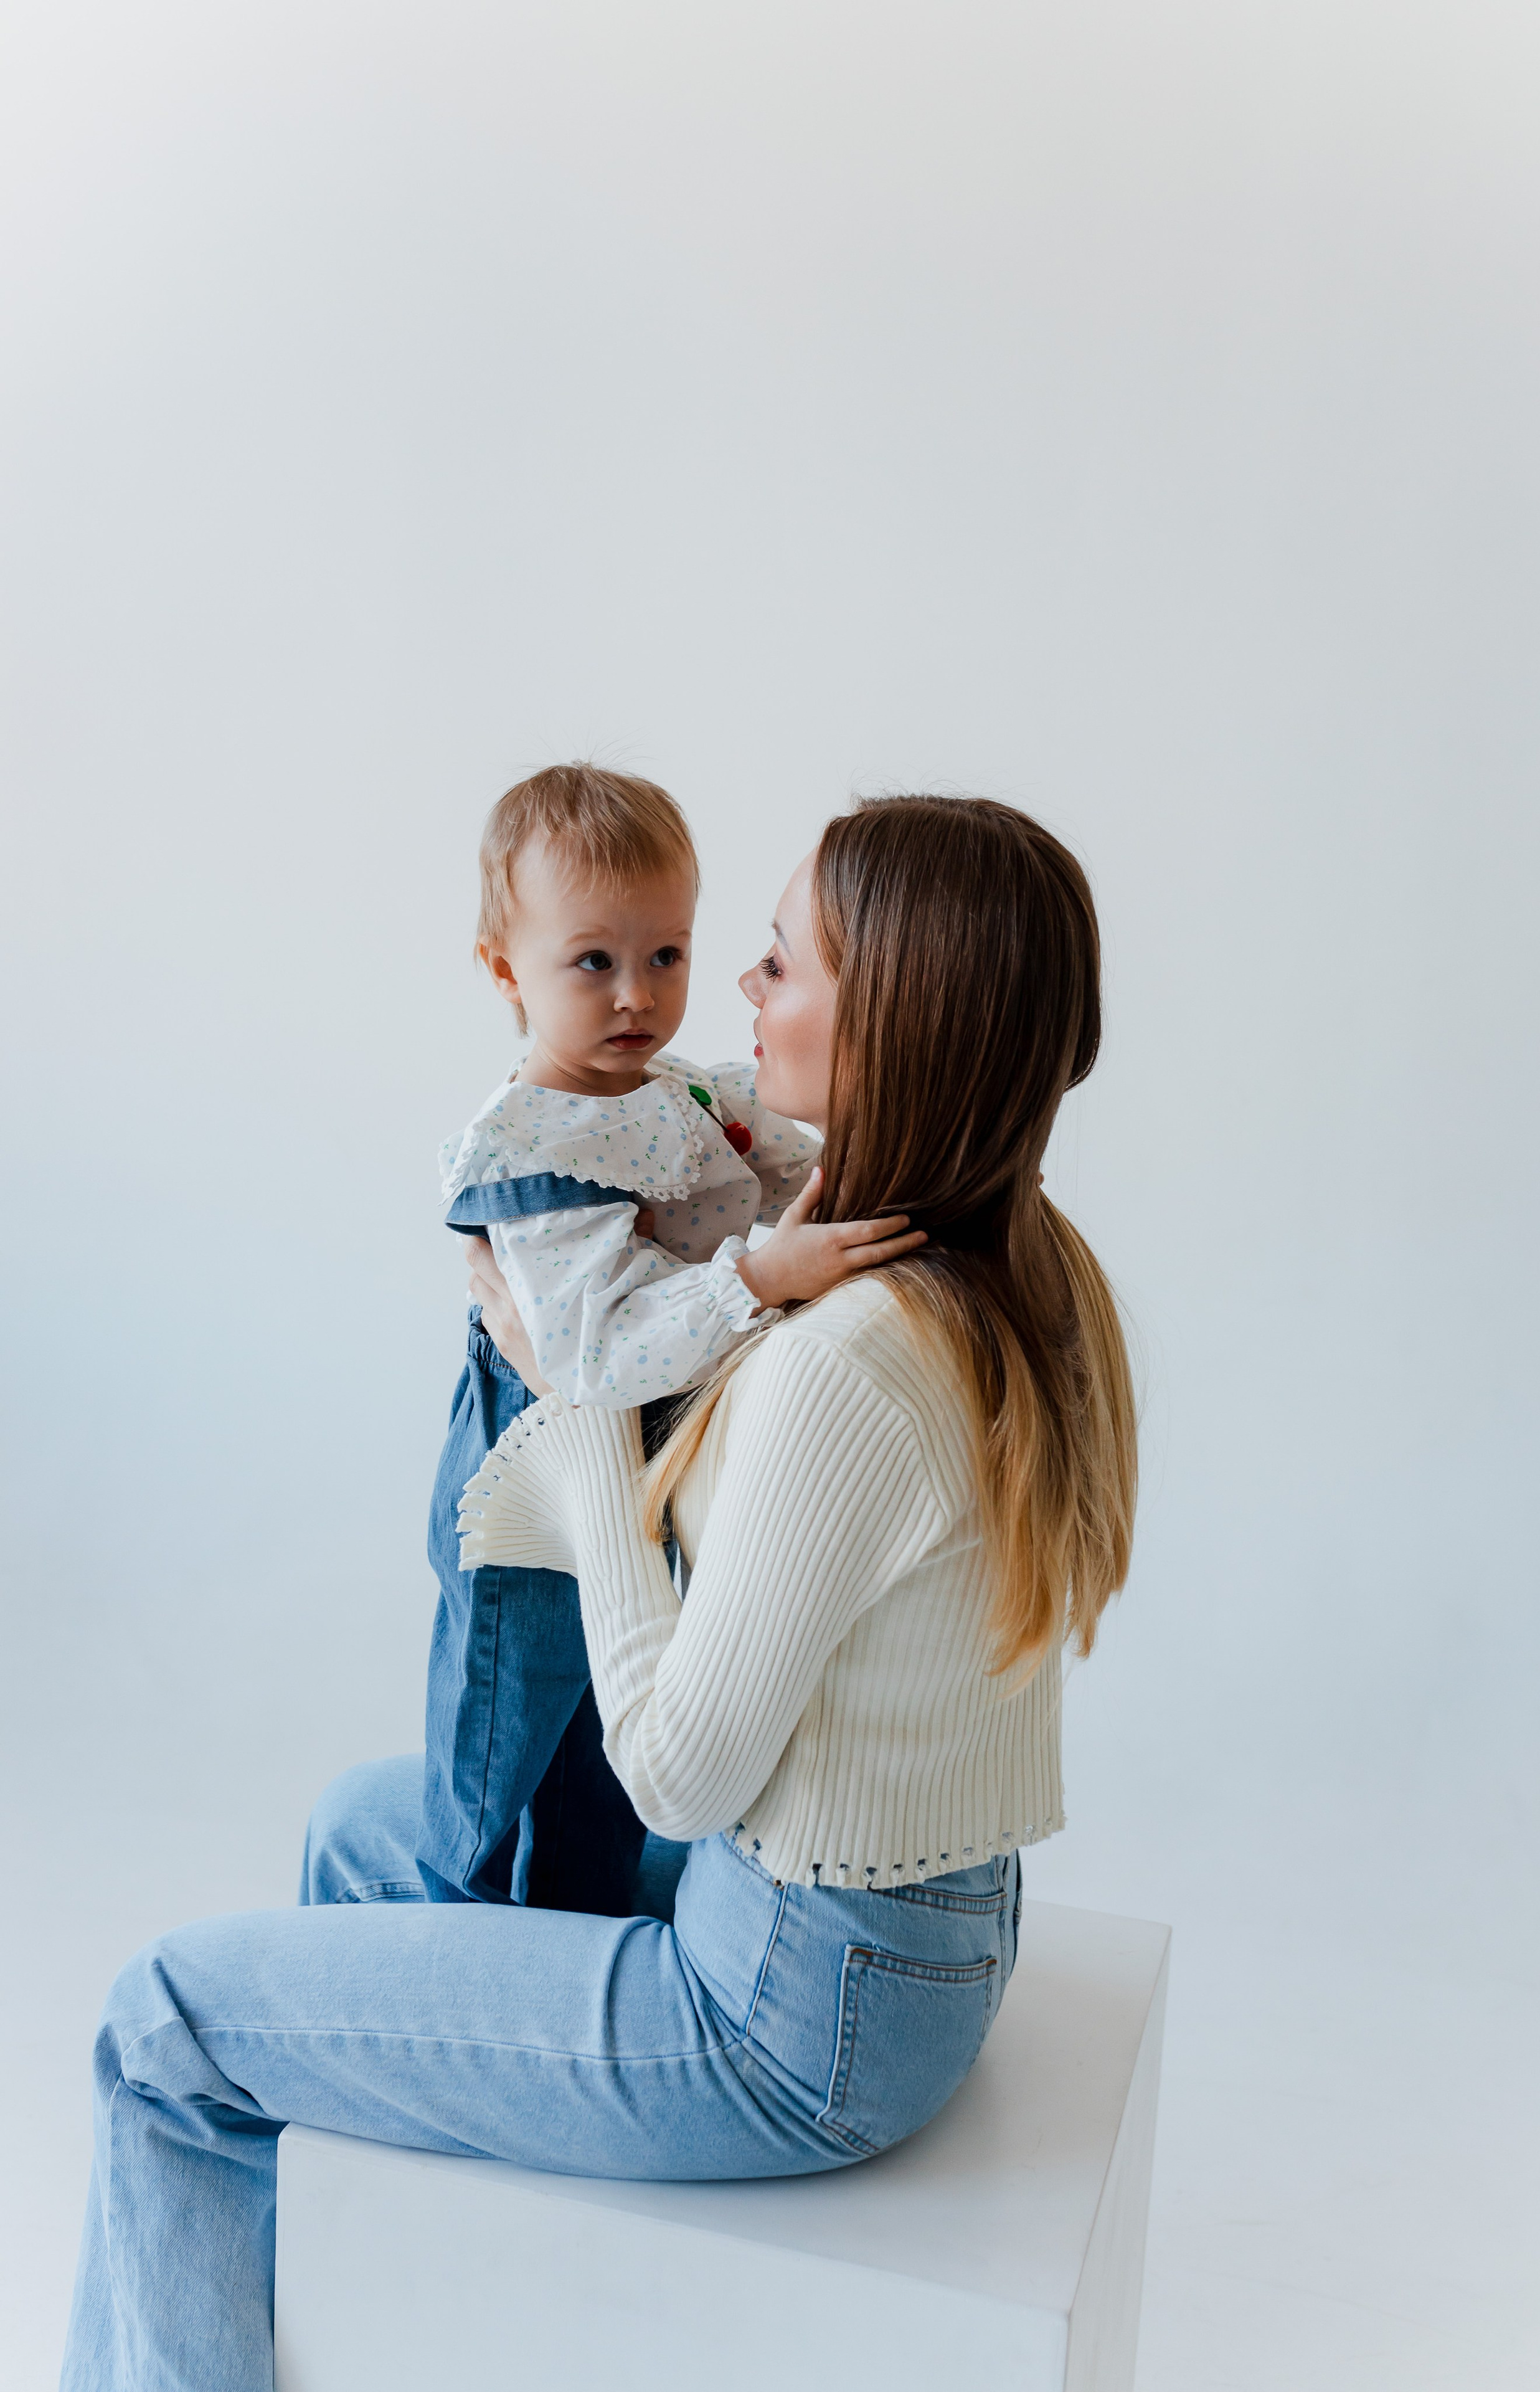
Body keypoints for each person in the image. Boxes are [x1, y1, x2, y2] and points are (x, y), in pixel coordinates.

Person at [60, 794, 1138, 2392]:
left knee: (163, 2030)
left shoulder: (855, 1357)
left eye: (775, 964)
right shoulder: (1008, 1255)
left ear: (894, 1016)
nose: (738, 998)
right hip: (899, 1933)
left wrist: (573, 1440)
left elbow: (681, 1772)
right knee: (371, 1825)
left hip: (793, 2013)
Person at [423, 762, 920, 1911]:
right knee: (502, 1737)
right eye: (593, 961)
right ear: (506, 968)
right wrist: (755, 1279)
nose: (636, 996)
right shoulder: (532, 1147)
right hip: (529, 1493)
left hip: (642, 1479)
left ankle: (582, 1928)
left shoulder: (685, 1098)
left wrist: (908, 1170)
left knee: (605, 1739)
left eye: (668, 955)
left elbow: (792, 1158)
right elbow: (589, 1358)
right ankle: (455, 1937)